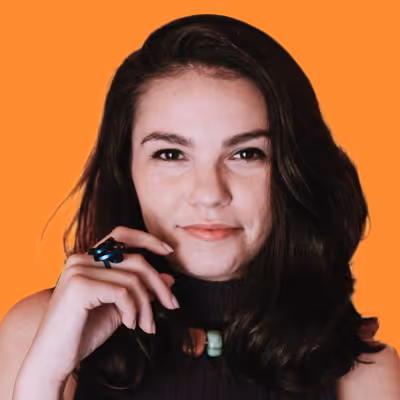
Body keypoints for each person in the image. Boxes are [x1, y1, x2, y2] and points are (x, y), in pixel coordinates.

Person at [1, 13, 399, 400]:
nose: (209, 194)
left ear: (294, 170)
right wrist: (44, 379)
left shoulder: (364, 373)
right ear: (126, 170)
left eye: (246, 154)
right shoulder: (38, 333)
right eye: (171, 154)